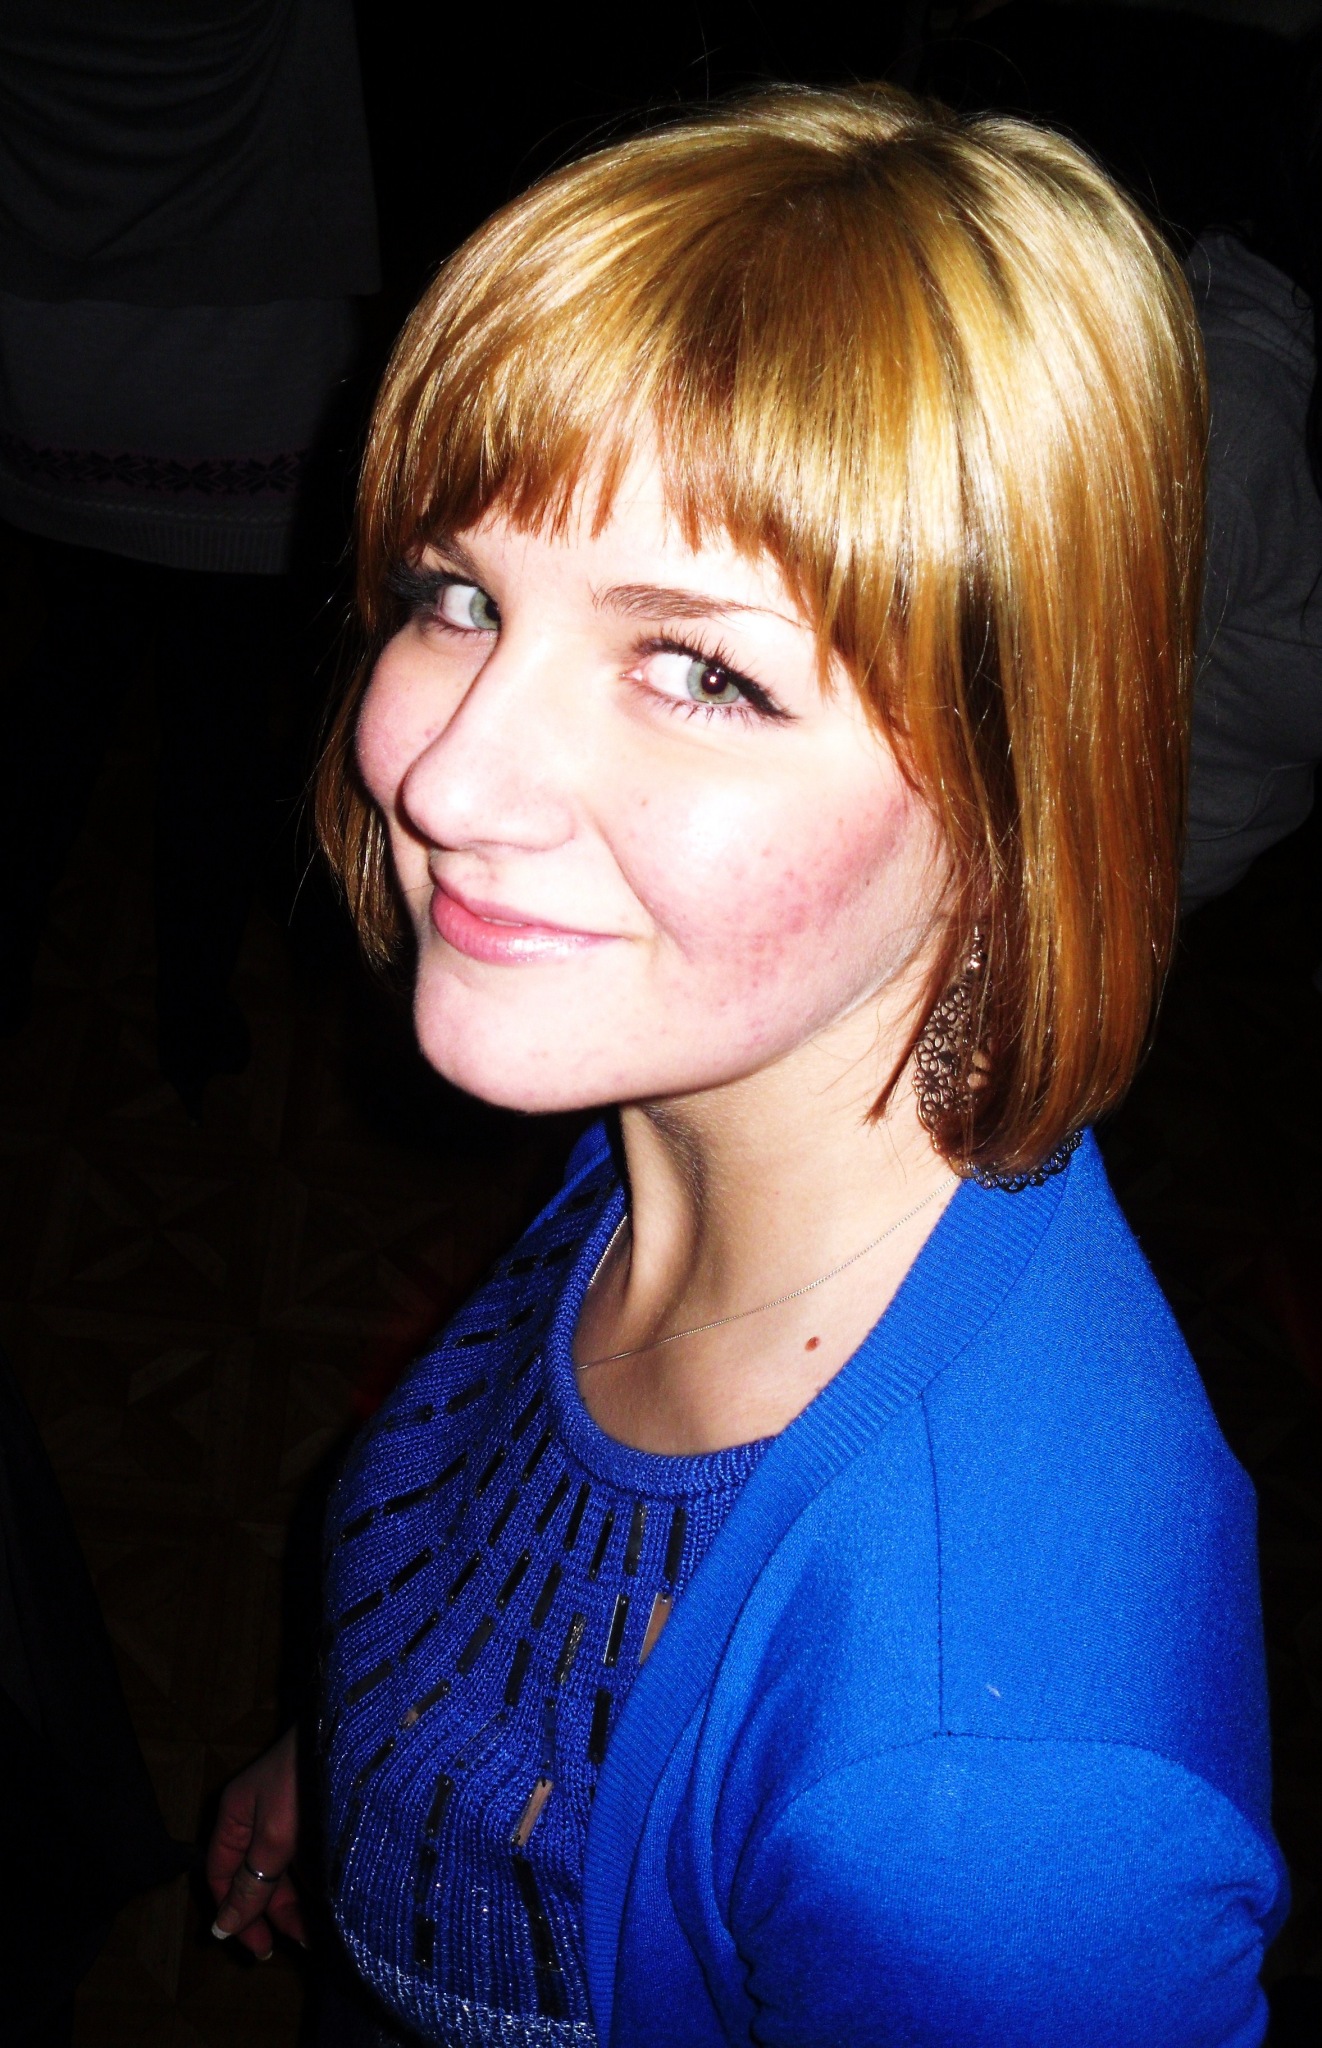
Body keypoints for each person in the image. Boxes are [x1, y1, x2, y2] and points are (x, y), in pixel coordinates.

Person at [209, 84, 1286, 2044]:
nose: (450, 777)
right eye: (460, 595)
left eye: (701, 669)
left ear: (1019, 784)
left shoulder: (989, 1815)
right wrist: (364, 1764)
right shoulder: (687, 1083)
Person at [0, 0, 378, 1103]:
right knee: (219, 718)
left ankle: (14, 968)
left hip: (54, 352)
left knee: (68, 679)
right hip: (246, 368)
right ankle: (193, 1014)